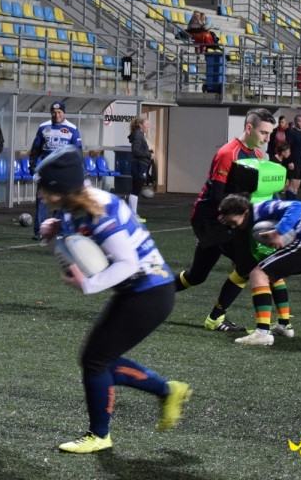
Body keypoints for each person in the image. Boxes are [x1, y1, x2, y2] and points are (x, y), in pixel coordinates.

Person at [36, 145, 190, 454]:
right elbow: (77, 244)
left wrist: (88, 285)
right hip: (138, 291)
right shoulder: (72, 205)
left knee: (95, 361)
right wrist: (55, 233)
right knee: (97, 360)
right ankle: (167, 390)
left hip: (150, 292)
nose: (39, 193)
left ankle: (100, 435)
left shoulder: (101, 208)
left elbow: (127, 263)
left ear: (60, 188)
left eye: (43, 187)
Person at [176, 109, 277, 332]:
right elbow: (217, 198)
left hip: (232, 219)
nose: (267, 138)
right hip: (212, 219)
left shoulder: (259, 157)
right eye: (263, 133)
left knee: (196, 276)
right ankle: (215, 319)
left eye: (270, 133)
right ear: (248, 128)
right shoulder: (227, 153)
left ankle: (150, 293)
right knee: (249, 265)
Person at [215, 194, 301, 346]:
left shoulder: (260, 208)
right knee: (271, 274)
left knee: (258, 274)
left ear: (245, 211)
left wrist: (279, 231)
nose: (233, 226)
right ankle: (284, 326)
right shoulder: (247, 216)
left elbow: (297, 205)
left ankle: (262, 333)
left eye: (233, 222)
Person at [28, 101, 83, 241]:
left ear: (64, 113)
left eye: (59, 112)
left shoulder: (72, 129)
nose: (56, 114)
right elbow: (35, 150)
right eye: (54, 112)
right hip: (46, 170)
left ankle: (60, 231)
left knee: (62, 202)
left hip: (64, 171)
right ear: (50, 113)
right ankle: (39, 231)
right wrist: (33, 168)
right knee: (42, 200)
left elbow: (78, 152)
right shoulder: (43, 127)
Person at [127, 116, 153, 219]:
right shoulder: (138, 136)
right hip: (139, 164)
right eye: (146, 124)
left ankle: (133, 214)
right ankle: (133, 215)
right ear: (140, 125)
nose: (148, 126)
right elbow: (136, 151)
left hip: (140, 164)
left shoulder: (139, 135)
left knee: (136, 189)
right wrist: (148, 155)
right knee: (136, 189)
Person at [284, 114, 301, 200]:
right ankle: (288, 203)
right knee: (292, 184)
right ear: (295, 122)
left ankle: (292, 202)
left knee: (297, 184)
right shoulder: (291, 133)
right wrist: (289, 161)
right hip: (294, 162)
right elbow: (287, 147)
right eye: (300, 121)